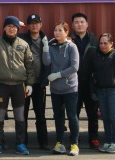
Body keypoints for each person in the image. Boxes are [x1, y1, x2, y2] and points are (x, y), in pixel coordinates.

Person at [0, 16, 34, 156]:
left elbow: (30, 65)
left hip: (19, 86)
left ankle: (20, 144)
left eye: (14, 26)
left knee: (20, 117)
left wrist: (30, 84)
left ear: (18, 29)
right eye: (9, 26)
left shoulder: (23, 44)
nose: (11, 28)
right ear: (4, 28)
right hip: (1, 86)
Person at [43, 21, 80, 156]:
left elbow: (74, 67)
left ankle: (74, 144)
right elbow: (47, 62)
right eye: (55, 30)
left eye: (60, 30)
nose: (57, 33)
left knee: (72, 116)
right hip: (55, 89)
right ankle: (59, 143)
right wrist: (46, 47)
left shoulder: (72, 47)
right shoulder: (52, 46)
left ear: (66, 32)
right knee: (58, 117)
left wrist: (58, 74)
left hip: (70, 88)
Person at [91, 32, 115, 153]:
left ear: (111, 43)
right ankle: (108, 142)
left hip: (113, 90)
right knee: (105, 117)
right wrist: (93, 91)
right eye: (101, 43)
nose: (103, 45)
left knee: (113, 117)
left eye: (105, 43)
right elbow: (93, 74)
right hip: (101, 90)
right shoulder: (97, 56)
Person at [69, 12, 100, 149]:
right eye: (76, 22)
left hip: (90, 82)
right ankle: (74, 139)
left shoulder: (95, 41)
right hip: (74, 83)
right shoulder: (69, 40)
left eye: (82, 22)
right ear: (72, 25)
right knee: (73, 113)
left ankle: (93, 138)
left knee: (92, 113)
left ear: (87, 24)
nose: (79, 24)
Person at [19, 14, 50, 150]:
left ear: (41, 24)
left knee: (40, 114)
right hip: (24, 83)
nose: (34, 25)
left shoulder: (46, 40)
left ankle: (43, 142)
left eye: (36, 23)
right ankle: (22, 142)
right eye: (31, 23)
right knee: (22, 114)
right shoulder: (21, 38)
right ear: (27, 25)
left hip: (39, 84)